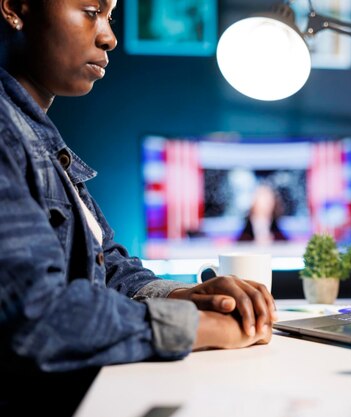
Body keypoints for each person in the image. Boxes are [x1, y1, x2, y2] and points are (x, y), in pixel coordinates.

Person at [0, 1, 275, 414]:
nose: (109, 36)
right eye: (92, 10)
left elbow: (105, 265)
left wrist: (188, 296)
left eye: (110, 16)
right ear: (15, 8)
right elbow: (38, 316)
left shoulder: (35, 136)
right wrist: (202, 326)